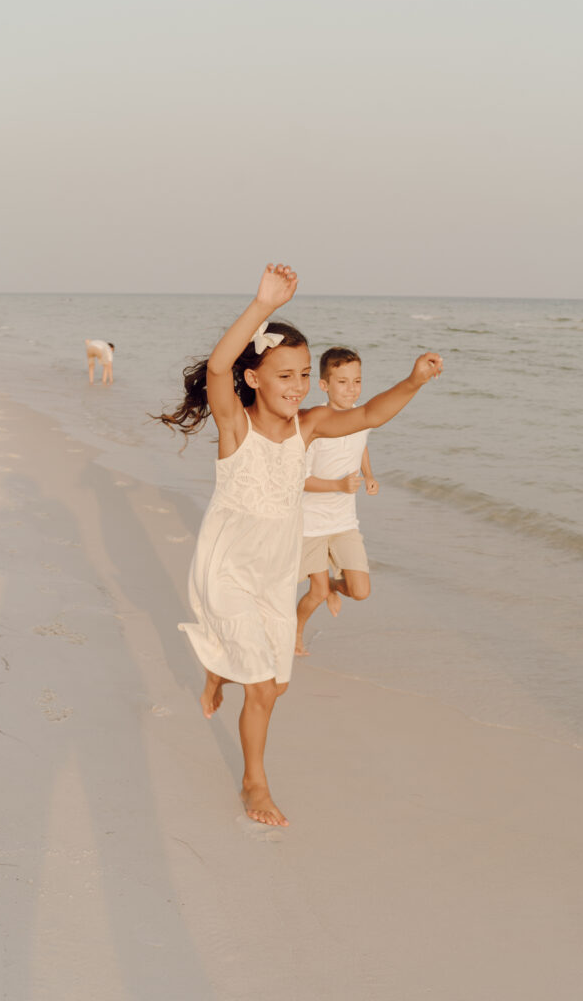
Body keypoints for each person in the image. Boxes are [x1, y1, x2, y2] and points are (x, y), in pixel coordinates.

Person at [157, 263, 443, 827]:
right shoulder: (235, 428)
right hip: (228, 571)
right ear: (256, 380)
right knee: (261, 686)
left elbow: (366, 415)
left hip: (274, 574)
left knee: (277, 685)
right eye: (284, 374)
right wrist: (262, 304)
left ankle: (220, 668)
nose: (298, 386)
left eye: (305, 374)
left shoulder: (307, 428)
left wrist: (412, 382)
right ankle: (254, 782)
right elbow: (219, 365)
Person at [295, 347, 378, 656]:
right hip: (312, 523)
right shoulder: (314, 425)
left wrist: (369, 474)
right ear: (324, 385)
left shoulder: (362, 417)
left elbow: (362, 445)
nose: (351, 389)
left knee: (361, 591)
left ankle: (333, 585)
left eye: (356, 381)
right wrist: (338, 485)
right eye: (342, 382)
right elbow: (299, 480)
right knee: (315, 592)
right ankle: (296, 632)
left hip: (344, 523)